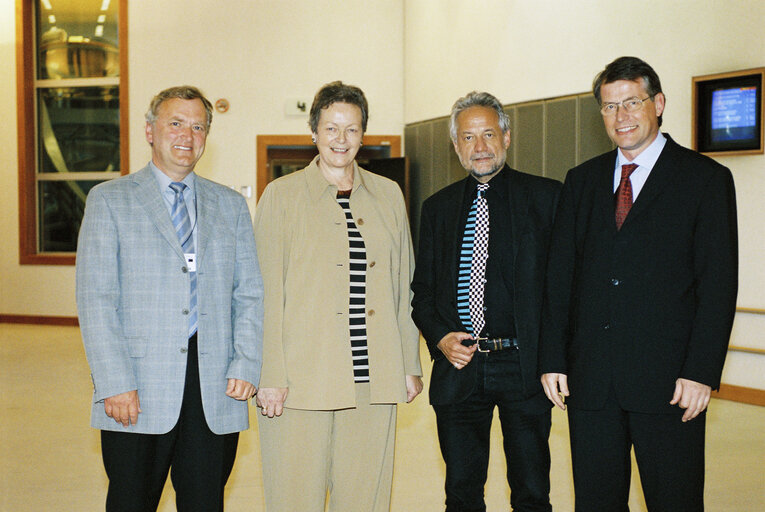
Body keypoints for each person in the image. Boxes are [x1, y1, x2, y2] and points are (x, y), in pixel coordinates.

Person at [539, 56, 738, 511]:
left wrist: (701, 372)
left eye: (632, 102)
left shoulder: (704, 180)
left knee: (675, 500)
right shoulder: (581, 182)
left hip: (669, 383)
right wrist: (553, 358)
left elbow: (718, 285)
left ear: (659, 103)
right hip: (591, 384)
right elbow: (560, 278)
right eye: (609, 107)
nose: (621, 116)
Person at [76, 85, 263, 512]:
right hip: (136, 386)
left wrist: (246, 362)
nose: (187, 135)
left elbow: (249, 293)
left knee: (204, 502)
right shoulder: (109, 200)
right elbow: (96, 299)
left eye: (198, 126)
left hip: (215, 386)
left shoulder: (230, 205)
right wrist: (115, 382)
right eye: (176, 123)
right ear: (149, 131)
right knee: (131, 501)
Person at [253, 80, 422, 512]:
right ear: (313, 131)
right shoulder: (282, 197)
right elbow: (266, 292)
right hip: (300, 383)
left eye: (351, 129)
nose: (340, 140)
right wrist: (270, 375)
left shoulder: (388, 194)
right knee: (295, 499)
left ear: (363, 134)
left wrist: (408, 362)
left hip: (374, 379)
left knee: (365, 498)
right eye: (331, 128)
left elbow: (404, 286)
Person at [411, 91, 561, 512]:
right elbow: (421, 294)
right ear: (456, 145)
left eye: (488, 134)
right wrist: (440, 338)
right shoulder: (437, 209)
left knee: (532, 491)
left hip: (523, 366)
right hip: (460, 369)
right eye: (468, 137)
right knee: (461, 492)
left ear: (507, 138)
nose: (480, 147)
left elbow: (562, 291)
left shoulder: (548, 199)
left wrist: (556, 359)